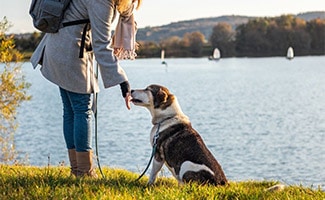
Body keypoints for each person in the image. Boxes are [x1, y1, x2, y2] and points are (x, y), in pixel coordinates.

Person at [31, 0, 141, 177]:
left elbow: (126, 9)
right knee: (82, 110)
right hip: (70, 53)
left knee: (71, 111)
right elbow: (101, 44)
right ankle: (84, 172)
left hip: (57, 47)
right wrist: (123, 81)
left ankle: (77, 170)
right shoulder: (102, 1)